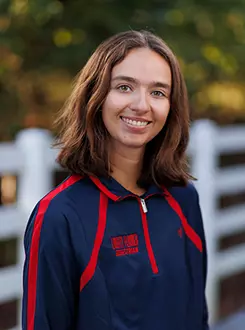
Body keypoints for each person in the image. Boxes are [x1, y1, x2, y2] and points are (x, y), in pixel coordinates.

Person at [22, 30, 209, 330]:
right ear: (95, 96)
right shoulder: (60, 216)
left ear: (172, 107)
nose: (141, 105)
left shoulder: (184, 198)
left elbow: (198, 316)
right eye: (124, 87)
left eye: (158, 92)